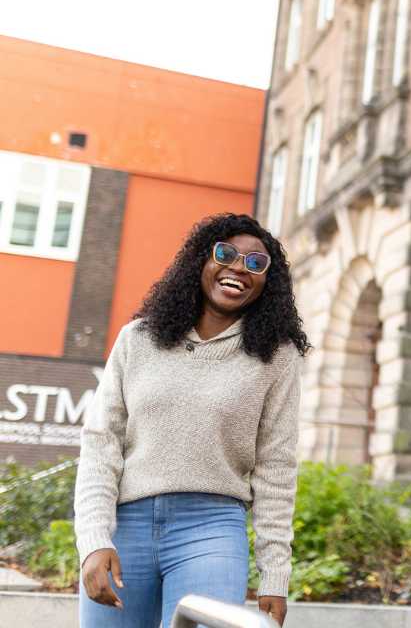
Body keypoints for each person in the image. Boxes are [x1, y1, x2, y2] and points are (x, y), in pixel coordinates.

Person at [74, 213, 308, 627]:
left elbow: (276, 468)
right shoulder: (138, 339)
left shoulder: (277, 356)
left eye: (256, 264)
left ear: (266, 283)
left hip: (212, 528)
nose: (239, 267)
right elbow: (101, 443)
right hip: (125, 526)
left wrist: (275, 575)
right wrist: (93, 541)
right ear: (202, 260)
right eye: (226, 254)